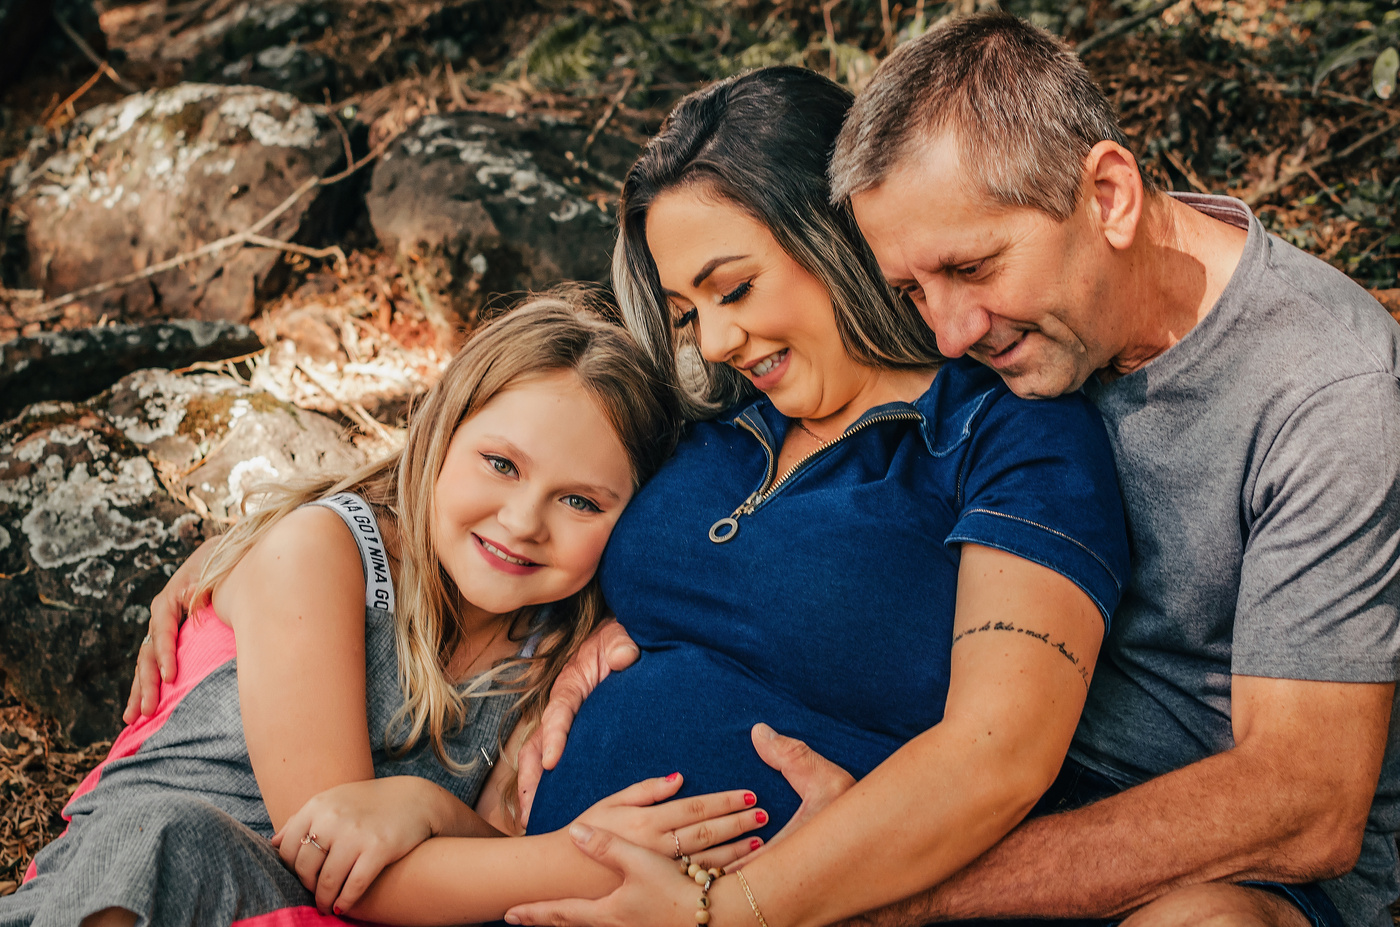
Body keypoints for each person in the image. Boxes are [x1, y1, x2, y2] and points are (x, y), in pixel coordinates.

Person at [132, 66, 1131, 926]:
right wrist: (262, 548)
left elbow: (999, 756)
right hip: (522, 882)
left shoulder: (1002, 434)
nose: (717, 340)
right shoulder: (714, 428)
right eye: (687, 312)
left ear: (837, 234)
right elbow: (508, 460)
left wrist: (726, 909)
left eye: (734, 288)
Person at [507, 14, 1400, 927]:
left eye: (973, 268)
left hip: (1207, 848)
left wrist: (849, 894)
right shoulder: (1023, 331)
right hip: (990, 798)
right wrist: (634, 623)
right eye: (910, 290)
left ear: (1110, 198)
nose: (948, 334)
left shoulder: (1323, 389)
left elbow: (1304, 799)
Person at [2, 295, 769, 927]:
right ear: (438, 430)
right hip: (144, 890)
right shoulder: (321, 554)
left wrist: (432, 809)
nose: (522, 521)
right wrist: (594, 855)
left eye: (581, 501)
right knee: (167, 834)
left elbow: (494, 847)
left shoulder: (548, 646)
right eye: (500, 463)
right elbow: (330, 855)